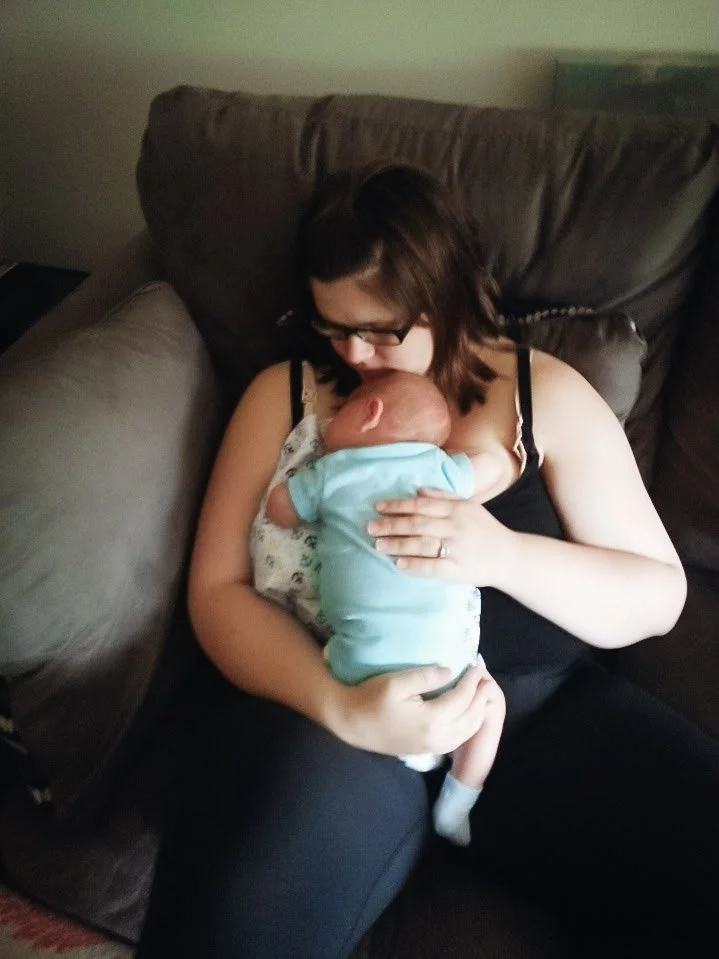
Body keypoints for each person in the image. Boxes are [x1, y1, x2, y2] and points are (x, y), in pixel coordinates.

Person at [137, 160, 718, 959]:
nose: (358, 353)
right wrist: (339, 707)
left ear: (447, 293)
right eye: (334, 325)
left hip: (529, 716)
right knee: (233, 918)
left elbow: (658, 594)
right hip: (332, 712)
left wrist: (502, 554)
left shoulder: (538, 391)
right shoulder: (288, 391)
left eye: (382, 329)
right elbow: (216, 590)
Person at [265, 369, 506, 845]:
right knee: (492, 706)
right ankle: (458, 804)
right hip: (452, 676)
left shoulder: (331, 472)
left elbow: (279, 510)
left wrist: (290, 484)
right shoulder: (440, 469)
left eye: (342, 409)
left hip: (360, 677)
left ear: (369, 412)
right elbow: (494, 464)